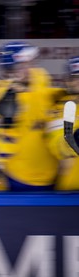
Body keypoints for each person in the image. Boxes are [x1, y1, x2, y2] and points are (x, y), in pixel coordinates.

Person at [0, 41, 60, 191]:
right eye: (26, 64)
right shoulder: (0, 98)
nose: (32, 68)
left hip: (52, 173)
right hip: (20, 177)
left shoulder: (40, 79)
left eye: (32, 63)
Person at [46, 56, 79, 191]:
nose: (78, 82)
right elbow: (58, 147)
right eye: (74, 78)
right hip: (73, 188)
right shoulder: (60, 108)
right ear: (67, 81)